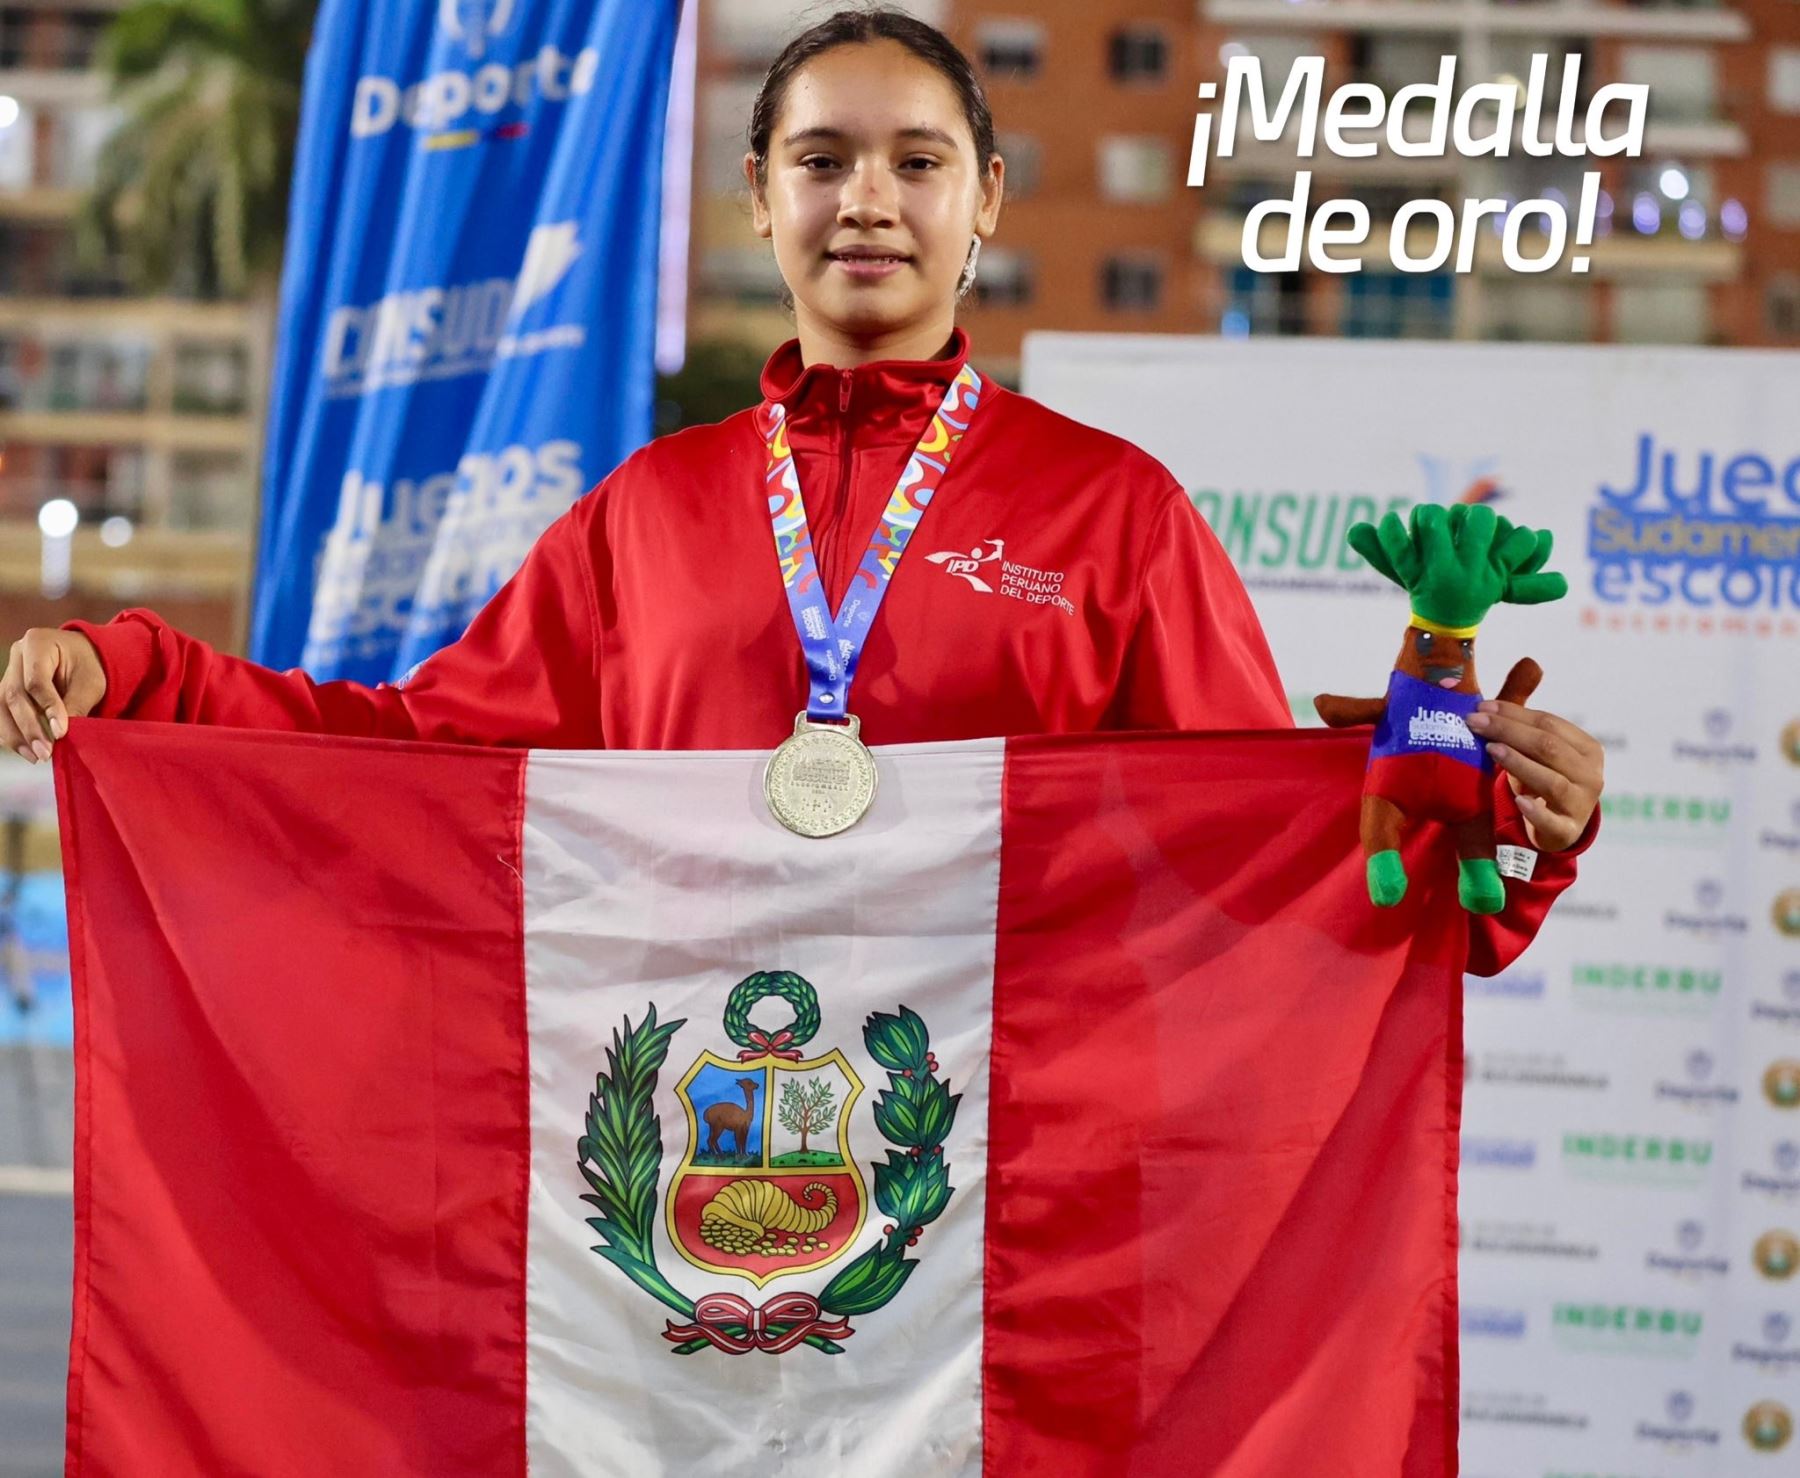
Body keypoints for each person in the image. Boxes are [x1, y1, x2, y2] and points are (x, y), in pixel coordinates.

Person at [0, 9, 1599, 968]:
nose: (869, 200)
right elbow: (417, 754)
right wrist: (145, 676)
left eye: (918, 161)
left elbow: (1267, 857)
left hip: (1006, 1200)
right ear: (758, 196)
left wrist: (1500, 821)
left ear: (986, 204)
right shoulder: (648, 512)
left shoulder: (1114, 515)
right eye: (822, 158)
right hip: (672, 1188)